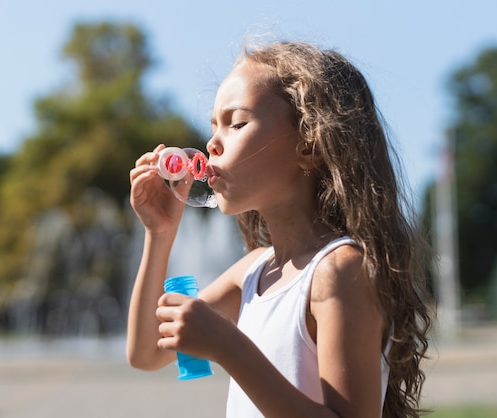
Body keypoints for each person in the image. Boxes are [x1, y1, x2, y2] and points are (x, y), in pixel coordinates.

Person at [127, 40, 433, 418]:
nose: (211, 144)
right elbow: (145, 353)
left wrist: (228, 346)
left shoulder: (339, 272)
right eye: (213, 127)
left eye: (236, 123)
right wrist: (159, 235)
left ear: (310, 145)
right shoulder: (253, 272)